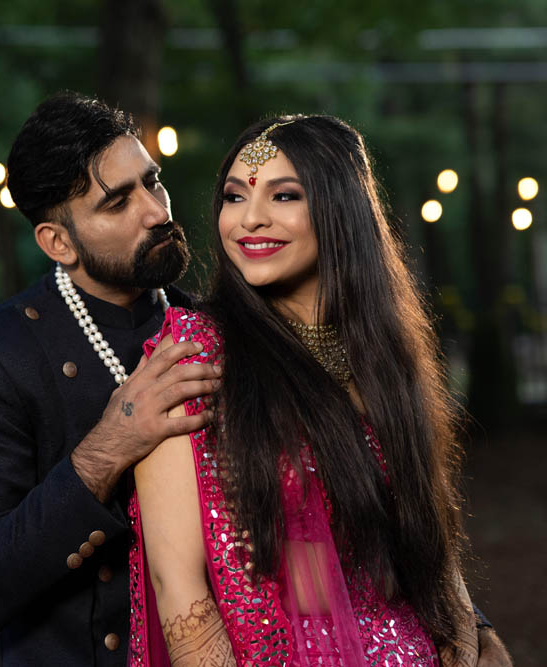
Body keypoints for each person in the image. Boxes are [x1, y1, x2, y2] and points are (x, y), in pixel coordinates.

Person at [128, 116, 512, 666]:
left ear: (340, 211)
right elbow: (180, 591)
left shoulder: (383, 358)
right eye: (234, 197)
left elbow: (426, 543)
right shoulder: (199, 352)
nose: (250, 219)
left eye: (284, 195)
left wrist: (476, 638)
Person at [0, 92, 220, 665]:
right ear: (58, 242)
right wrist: (108, 449)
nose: (157, 210)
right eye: (118, 202)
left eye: (152, 182)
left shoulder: (214, 329)